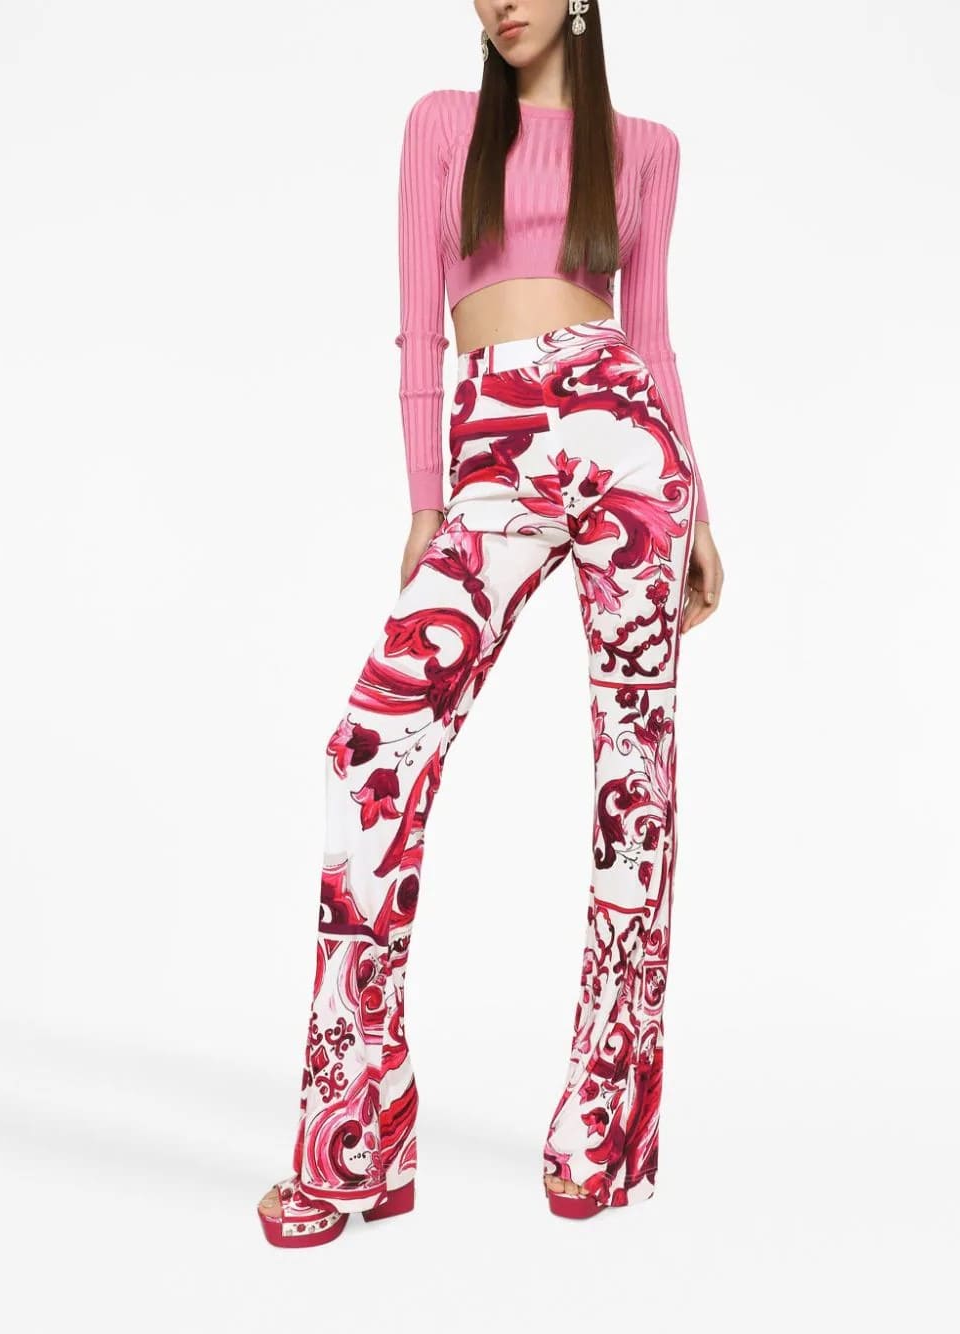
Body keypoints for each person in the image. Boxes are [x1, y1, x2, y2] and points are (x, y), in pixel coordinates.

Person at [257, 0, 724, 1247]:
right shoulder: (442, 126)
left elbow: (652, 335)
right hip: (496, 445)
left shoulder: (647, 148)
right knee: (370, 748)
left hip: (629, 441)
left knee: (635, 782)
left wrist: (702, 505)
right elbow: (421, 323)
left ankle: (603, 1124)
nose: (497, 0)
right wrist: (427, 499)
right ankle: (356, 1135)